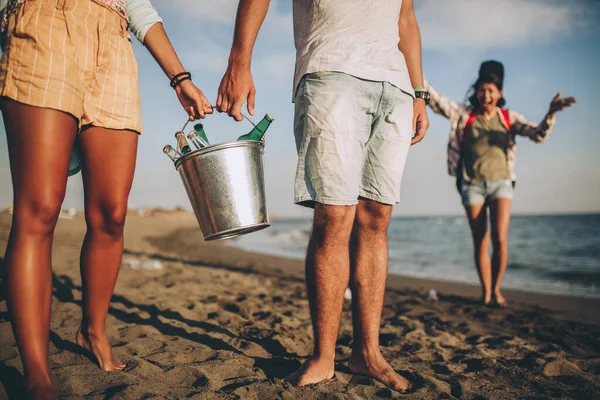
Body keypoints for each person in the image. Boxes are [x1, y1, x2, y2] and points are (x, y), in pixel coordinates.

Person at [0, 0, 213, 398]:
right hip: (43, 22)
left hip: (114, 40)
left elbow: (139, 8)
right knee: (40, 209)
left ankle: (93, 330)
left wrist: (180, 78)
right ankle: (37, 374)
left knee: (112, 214)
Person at [217, 0, 429, 392]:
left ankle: (367, 353)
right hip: (331, 67)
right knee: (334, 216)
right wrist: (239, 61)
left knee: (376, 218)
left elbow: (406, 17)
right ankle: (323, 355)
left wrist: (419, 90)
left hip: (395, 85)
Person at [425, 60, 576, 307]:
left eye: (491, 91)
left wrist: (550, 114)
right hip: (472, 185)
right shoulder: (465, 115)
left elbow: (537, 134)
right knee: (480, 240)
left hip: (501, 185)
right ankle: (485, 293)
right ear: (476, 92)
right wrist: (414, 69)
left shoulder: (509, 118)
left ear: (500, 93)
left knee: (500, 239)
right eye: (482, 90)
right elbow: (436, 100)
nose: (486, 95)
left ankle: (496, 291)